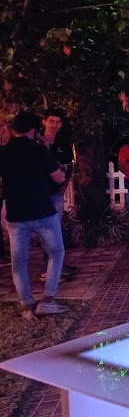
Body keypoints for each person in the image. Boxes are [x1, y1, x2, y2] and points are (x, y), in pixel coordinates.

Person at [0, 111, 68, 319]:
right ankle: (48, 300)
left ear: (14, 129)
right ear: (34, 129)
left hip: (16, 214)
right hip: (42, 212)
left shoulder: (4, 152)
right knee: (56, 252)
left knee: (19, 262)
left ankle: (27, 307)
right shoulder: (39, 150)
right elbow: (59, 177)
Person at [39, 108, 78, 279]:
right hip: (39, 193)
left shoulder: (63, 143)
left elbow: (70, 166)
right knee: (44, 229)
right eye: (52, 121)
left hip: (56, 193)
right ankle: (48, 266)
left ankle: (57, 263)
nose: (55, 125)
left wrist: (64, 186)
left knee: (56, 228)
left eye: (58, 122)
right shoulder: (36, 142)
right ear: (44, 122)